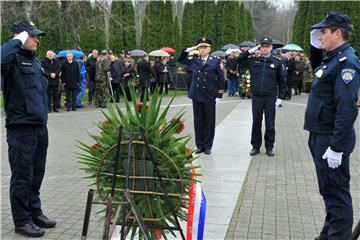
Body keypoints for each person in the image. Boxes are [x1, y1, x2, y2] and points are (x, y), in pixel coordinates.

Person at [305, 12, 359, 240]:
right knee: (328, 191)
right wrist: (315, 46)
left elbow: (347, 109)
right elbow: (318, 68)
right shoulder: (333, 58)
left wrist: (336, 147)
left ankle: (338, 236)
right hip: (320, 135)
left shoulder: (347, 62)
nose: (320, 36)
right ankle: (328, 234)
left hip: (330, 139)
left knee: (337, 195)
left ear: (338, 33)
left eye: (324, 32)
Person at [1, 20, 56, 238]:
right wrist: (16, 41)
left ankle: (34, 212)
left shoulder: (34, 62)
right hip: (21, 129)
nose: (37, 39)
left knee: (36, 174)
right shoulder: (11, 59)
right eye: (32, 36)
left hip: (39, 128)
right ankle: (22, 221)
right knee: (22, 176)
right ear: (19, 37)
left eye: (36, 36)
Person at [237, 37, 286, 156]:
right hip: (257, 97)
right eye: (263, 46)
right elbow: (239, 59)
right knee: (256, 123)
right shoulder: (254, 61)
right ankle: (255, 146)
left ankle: (269, 147)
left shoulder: (277, 62)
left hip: (270, 97)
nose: (265, 48)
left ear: (271, 48)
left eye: (267, 46)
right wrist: (251, 50)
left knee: (270, 124)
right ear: (260, 47)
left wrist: (280, 97)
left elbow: (282, 81)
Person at [178, 37, 225, 155]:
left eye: (205, 47)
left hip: (209, 95)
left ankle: (208, 146)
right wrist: (189, 49)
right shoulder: (194, 60)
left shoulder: (215, 61)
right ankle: (199, 145)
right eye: (200, 47)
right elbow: (180, 59)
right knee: (198, 122)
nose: (203, 50)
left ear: (210, 49)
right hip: (197, 94)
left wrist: (219, 95)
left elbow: (221, 78)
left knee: (209, 121)